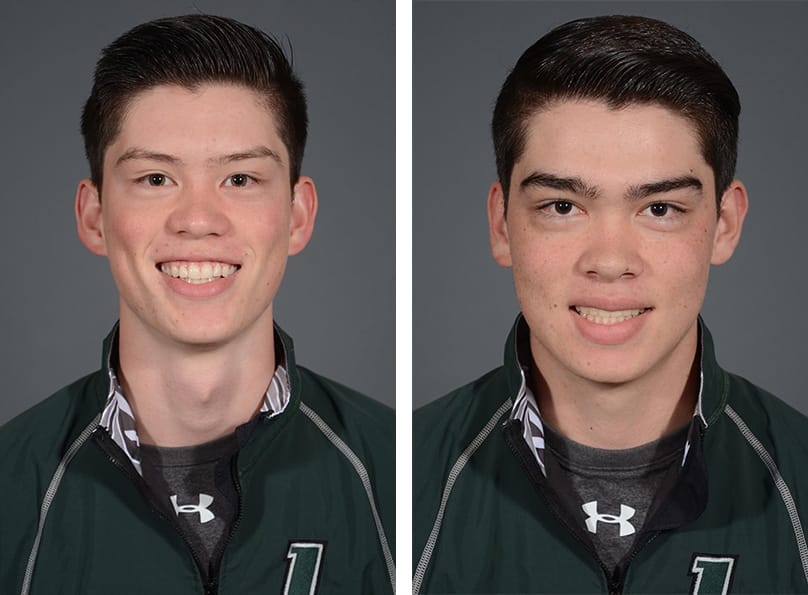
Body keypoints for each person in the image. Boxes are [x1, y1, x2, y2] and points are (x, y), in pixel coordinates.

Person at [413, 15, 808, 594]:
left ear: (725, 224)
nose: (610, 260)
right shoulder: (397, 484)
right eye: (562, 206)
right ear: (501, 224)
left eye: (660, 209)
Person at [0, 14, 394, 595]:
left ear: (297, 216)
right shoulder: (10, 490)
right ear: (94, 217)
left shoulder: (403, 478)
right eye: (156, 178)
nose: (198, 221)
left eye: (240, 179)